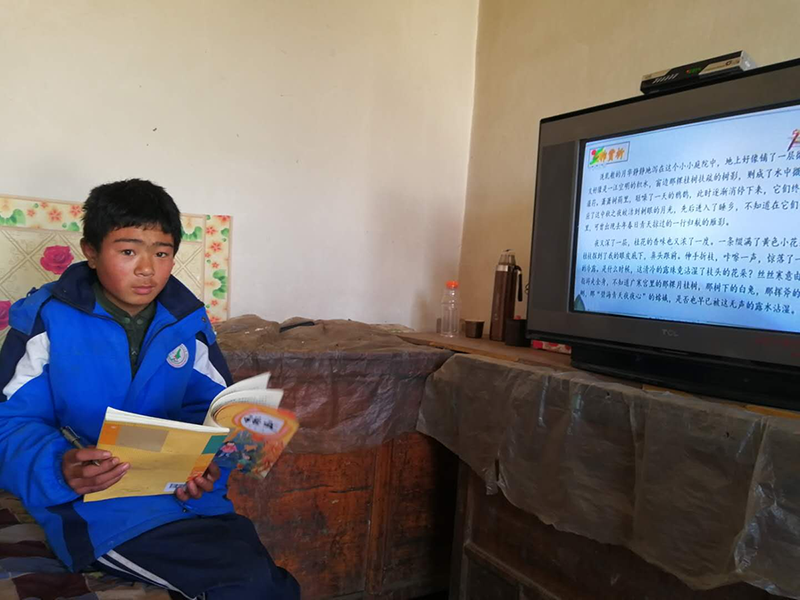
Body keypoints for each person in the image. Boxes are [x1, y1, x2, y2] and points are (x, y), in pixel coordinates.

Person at [0, 179, 300, 600]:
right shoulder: (47, 320)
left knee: (276, 585)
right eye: (128, 251)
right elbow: (9, 422)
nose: (148, 269)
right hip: (99, 508)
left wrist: (210, 469)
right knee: (245, 586)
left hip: (188, 500)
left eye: (162, 253)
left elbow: (213, 407)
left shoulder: (187, 320)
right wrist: (58, 466)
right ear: (90, 251)